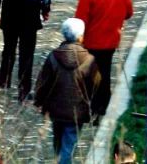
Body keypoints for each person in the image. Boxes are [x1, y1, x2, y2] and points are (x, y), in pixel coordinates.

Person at [33, 18, 98, 164]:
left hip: (55, 109)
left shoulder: (53, 57)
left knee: (58, 142)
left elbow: (43, 83)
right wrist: (95, 108)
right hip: (77, 111)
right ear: (81, 36)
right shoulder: (89, 60)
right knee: (68, 146)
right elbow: (96, 86)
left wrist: (39, 102)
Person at [74, 0, 133, 116]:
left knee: (89, 74)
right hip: (112, 40)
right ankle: (103, 105)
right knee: (105, 71)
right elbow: (128, 13)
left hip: (92, 41)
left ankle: (90, 105)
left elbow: (80, 21)